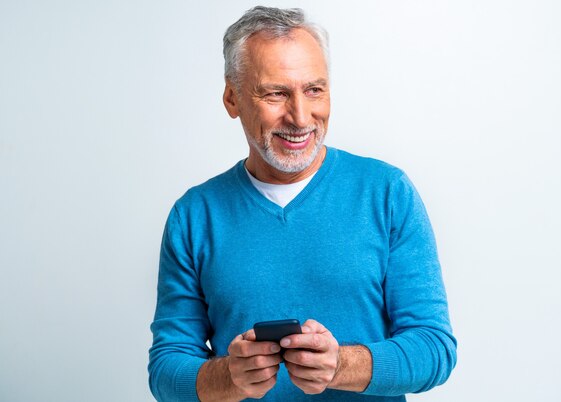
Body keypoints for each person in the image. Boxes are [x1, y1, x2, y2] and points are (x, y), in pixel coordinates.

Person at [148, 6, 456, 402]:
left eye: (314, 89)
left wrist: (341, 365)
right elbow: (166, 370)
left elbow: (434, 349)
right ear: (232, 98)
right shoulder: (194, 216)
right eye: (276, 93)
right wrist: (229, 376)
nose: (300, 116)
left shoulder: (387, 192)